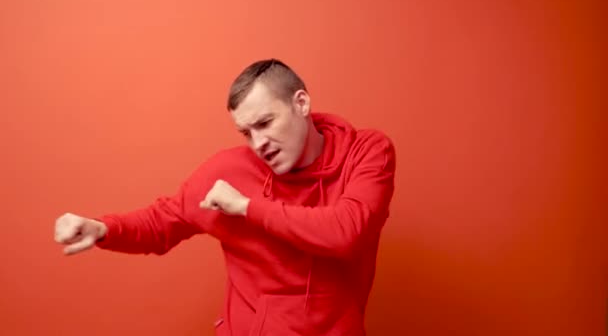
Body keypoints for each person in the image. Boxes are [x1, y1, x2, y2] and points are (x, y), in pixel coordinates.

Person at [54, 59, 396, 335]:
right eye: (246, 132)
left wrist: (247, 208)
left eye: (265, 123)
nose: (258, 143)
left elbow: (346, 232)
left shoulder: (365, 152)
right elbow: (162, 222)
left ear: (301, 103)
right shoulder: (229, 172)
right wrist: (104, 229)